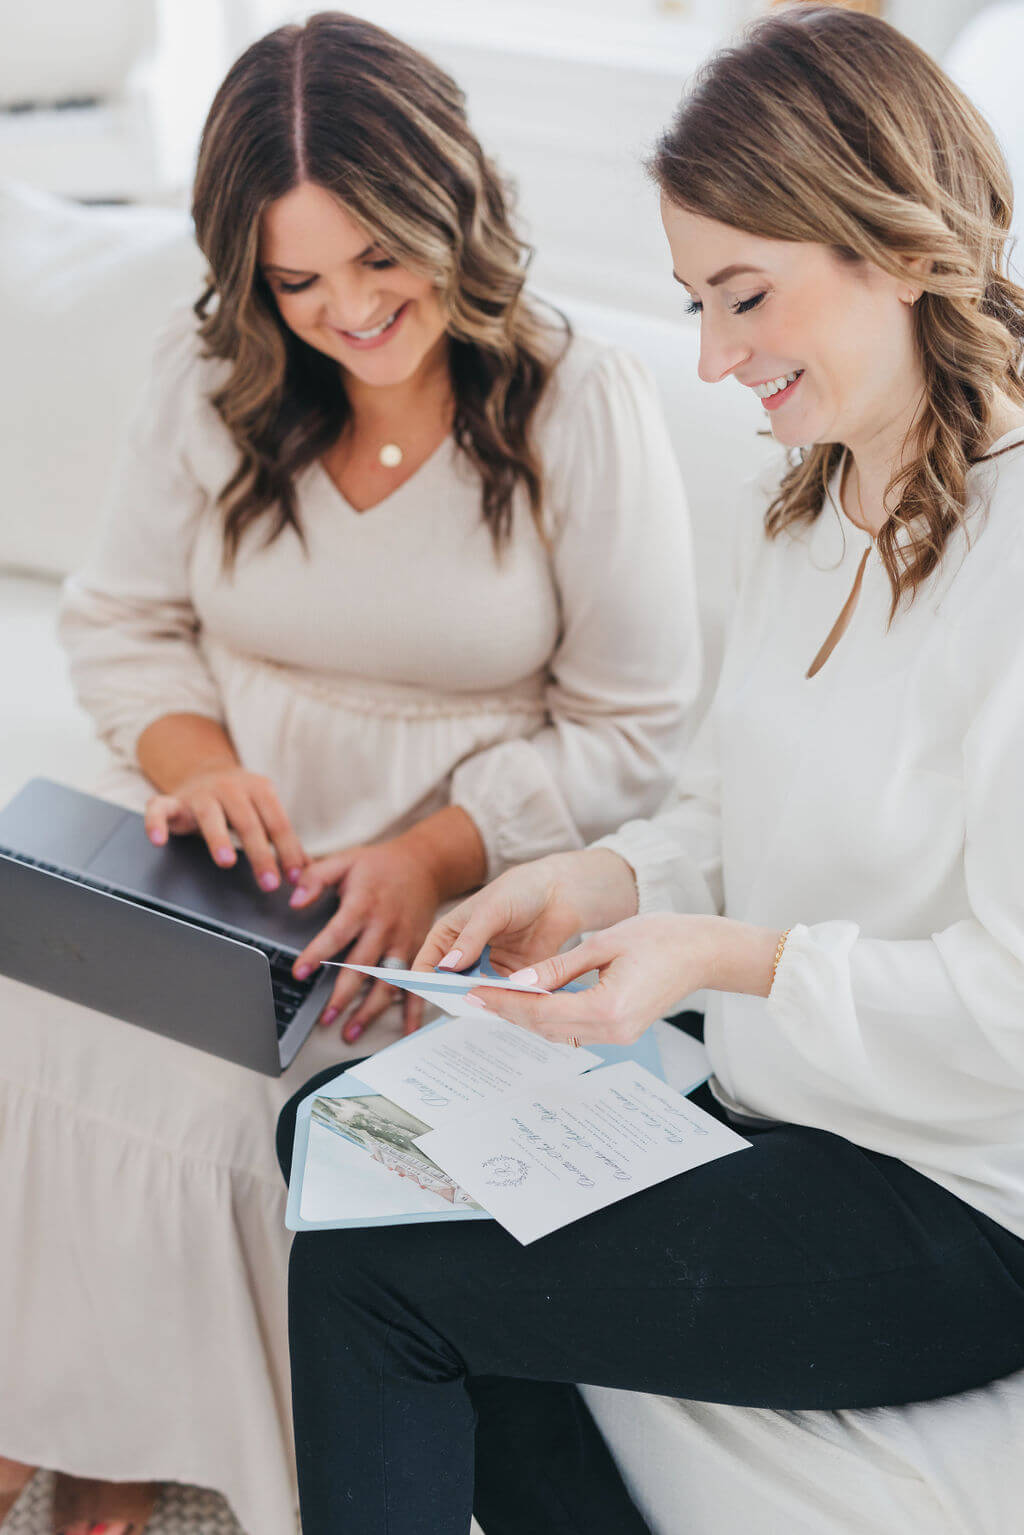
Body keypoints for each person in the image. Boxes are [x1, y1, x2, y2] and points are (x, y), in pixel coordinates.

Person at [278, 8, 1024, 1533]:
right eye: (695, 301)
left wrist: (721, 959)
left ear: (891, 239)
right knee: (339, 1136)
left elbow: (1011, 1013)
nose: (709, 358)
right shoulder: (802, 512)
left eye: (743, 298)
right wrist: (591, 882)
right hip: (778, 1103)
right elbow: (720, 819)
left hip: (962, 1200)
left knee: (374, 1278)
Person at [0, 15, 699, 1535]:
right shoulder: (217, 379)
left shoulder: (580, 405)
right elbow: (120, 621)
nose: (347, 314)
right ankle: (83, 1403)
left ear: (450, 207)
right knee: (42, 1029)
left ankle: (203, 1436)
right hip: (231, 865)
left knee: (272, 1115)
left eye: (379, 260)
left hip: (461, 904)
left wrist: (437, 855)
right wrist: (193, 762)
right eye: (297, 282)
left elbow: (635, 726)